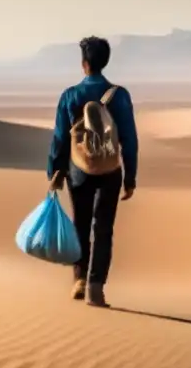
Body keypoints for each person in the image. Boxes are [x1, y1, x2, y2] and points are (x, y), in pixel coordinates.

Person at [47, 36, 138, 307]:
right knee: (104, 229)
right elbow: (130, 139)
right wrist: (130, 177)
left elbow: (60, 138)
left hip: (79, 170)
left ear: (84, 64)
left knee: (81, 225)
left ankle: (79, 280)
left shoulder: (70, 95)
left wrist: (55, 170)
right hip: (111, 170)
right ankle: (96, 288)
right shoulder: (119, 96)